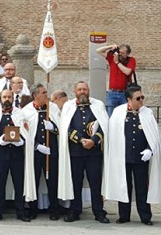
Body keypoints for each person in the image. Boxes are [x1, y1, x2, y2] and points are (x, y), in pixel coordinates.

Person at [104, 85, 161, 226]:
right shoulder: (118, 113)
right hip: (123, 157)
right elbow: (113, 134)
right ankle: (124, 215)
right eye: (138, 98)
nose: (141, 100)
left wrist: (150, 149)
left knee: (142, 188)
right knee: (124, 186)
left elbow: (154, 136)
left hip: (141, 158)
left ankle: (145, 216)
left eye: (142, 97)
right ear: (129, 99)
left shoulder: (147, 113)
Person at [58, 81, 109, 223]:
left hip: (94, 153)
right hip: (76, 153)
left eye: (85, 89)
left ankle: (98, 212)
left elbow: (104, 126)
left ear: (89, 91)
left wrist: (93, 140)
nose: (82, 92)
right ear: (75, 91)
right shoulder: (68, 107)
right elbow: (65, 128)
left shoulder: (98, 105)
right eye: (79, 89)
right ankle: (75, 211)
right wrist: (81, 139)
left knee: (95, 183)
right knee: (76, 183)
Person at [0, 89, 33, 222]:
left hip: (17, 155)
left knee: (19, 184)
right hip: (1, 156)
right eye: (4, 97)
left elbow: (26, 133)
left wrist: (21, 141)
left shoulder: (20, 114)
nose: (6, 99)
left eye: (9, 97)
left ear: (13, 99)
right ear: (0, 98)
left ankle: (21, 211)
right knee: (0, 184)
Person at [22, 83, 62, 220]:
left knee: (52, 180)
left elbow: (61, 128)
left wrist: (53, 127)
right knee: (34, 180)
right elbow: (25, 133)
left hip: (52, 151)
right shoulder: (27, 111)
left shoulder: (53, 108)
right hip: (36, 152)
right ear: (35, 95)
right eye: (43, 93)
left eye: (46, 92)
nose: (46, 95)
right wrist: (37, 146)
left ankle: (54, 209)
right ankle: (33, 209)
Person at [96, 44, 136, 115]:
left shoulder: (131, 60)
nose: (120, 54)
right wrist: (110, 46)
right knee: (110, 115)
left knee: (125, 115)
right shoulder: (112, 58)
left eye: (123, 53)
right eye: (119, 52)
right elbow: (98, 51)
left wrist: (117, 62)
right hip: (112, 93)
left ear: (127, 54)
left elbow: (127, 72)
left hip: (125, 93)